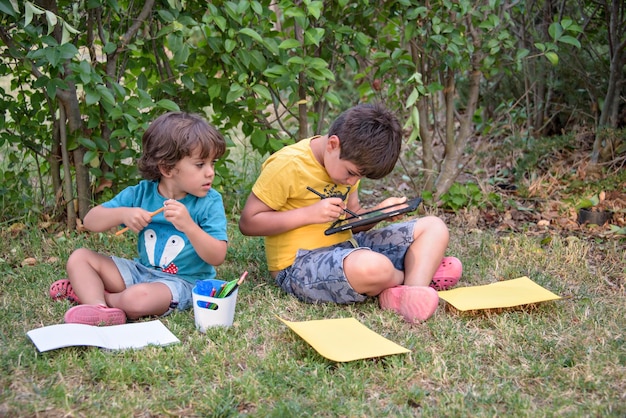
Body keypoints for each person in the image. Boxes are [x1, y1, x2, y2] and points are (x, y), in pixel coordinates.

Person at [238, 103, 461, 323]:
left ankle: (409, 291)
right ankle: (415, 278)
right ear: (333, 144)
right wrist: (309, 214)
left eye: (359, 177)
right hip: (298, 266)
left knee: (434, 227)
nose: (353, 182)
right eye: (351, 173)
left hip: (349, 249)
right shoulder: (288, 164)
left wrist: (379, 213)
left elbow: (353, 220)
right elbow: (249, 223)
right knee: (374, 267)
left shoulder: (344, 166)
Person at [49, 111, 229, 326]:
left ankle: (95, 297)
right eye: (200, 165)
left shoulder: (209, 202)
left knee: (137, 299)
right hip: (139, 271)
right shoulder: (141, 194)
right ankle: (98, 308)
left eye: (212, 163)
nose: (210, 172)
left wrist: (189, 226)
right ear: (167, 168)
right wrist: (123, 213)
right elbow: (90, 221)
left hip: (182, 282)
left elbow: (217, 256)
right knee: (80, 257)